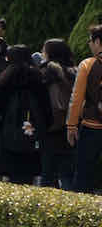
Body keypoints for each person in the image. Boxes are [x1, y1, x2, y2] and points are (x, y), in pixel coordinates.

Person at [0, 44, 48, 183]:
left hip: (9, 134)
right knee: (28, 177)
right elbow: (46, 108)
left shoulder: (5, 78)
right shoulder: (38, 77)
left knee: (10, 177)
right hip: (32, 135)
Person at [38, 38, 77, 187]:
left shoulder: (47, 71)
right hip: (71, 126)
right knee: (67, 173)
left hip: (50, 128)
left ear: (49, 53)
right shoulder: (75, 71)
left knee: (47, 175)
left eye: (44, 50)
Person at [70, 23, 102, 192]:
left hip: (91, 126)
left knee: (83, 173)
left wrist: (71, 125)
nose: (89, 44)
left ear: (97, 41)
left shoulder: (87, 65)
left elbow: (76, 98)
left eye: (90, 40)